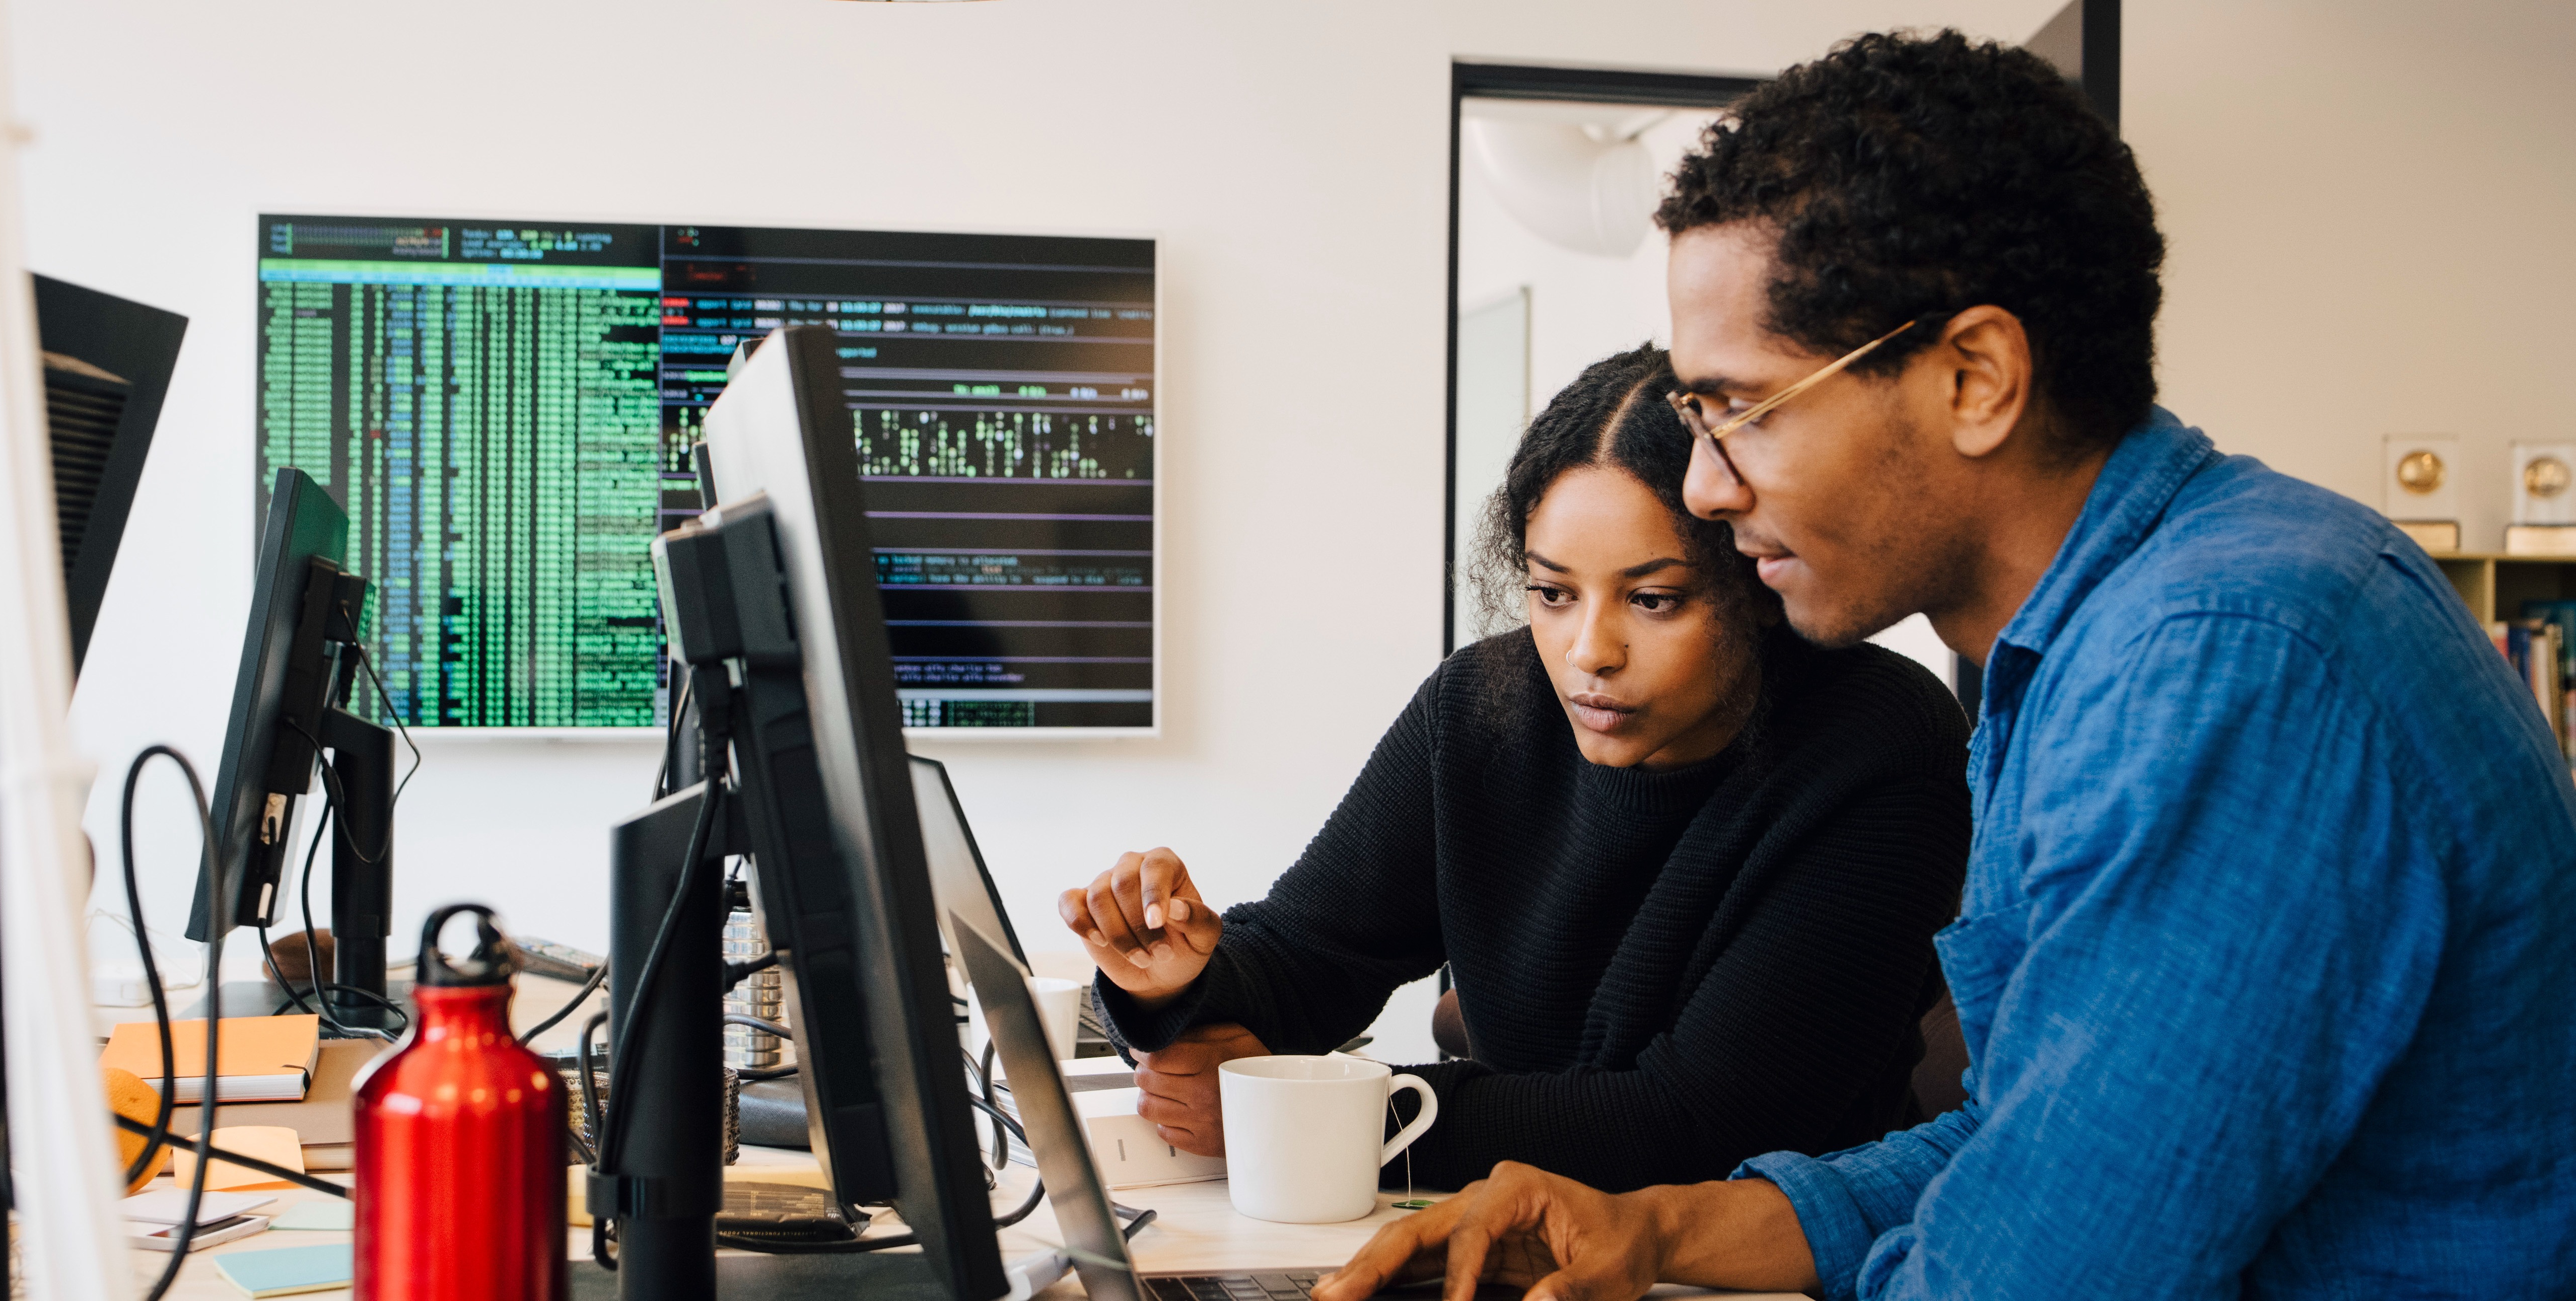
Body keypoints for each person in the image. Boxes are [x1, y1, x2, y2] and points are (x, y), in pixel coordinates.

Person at [1315, 30, 2576, 1301]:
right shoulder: (2080, 653)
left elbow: (2039, 1274)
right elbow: (2017, 1145)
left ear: (1975, 377)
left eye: (1735, 411)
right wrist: (1656, 1231)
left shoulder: (2226, 666)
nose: (1702, 484)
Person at [1056, 344, 1973, 1195]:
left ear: (1755, 584)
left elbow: (1701, 1124)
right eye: (1552, 592)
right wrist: (1173, 982)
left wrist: (1319, 1118)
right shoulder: (1483, 706)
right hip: (1516, 1233)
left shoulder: (1878, 744)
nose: (1588, 653)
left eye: (1652, 600)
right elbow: (1311, 953)